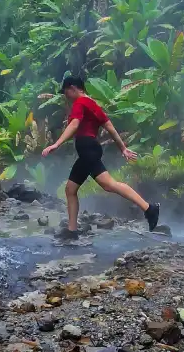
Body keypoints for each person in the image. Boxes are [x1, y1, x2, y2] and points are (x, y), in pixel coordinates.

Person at [42, 75, 160, 238]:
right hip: (89, 151)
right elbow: (110, 127)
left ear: (73, 88)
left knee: (108, 185)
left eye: (66, 92)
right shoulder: (93, 104)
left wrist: (57, 144)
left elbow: (74, 124)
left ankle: (149, 209)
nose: (66, 96)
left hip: (88, 151)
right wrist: (123, 148)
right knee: (72, 189)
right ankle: (71, 230)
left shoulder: (81, 102)